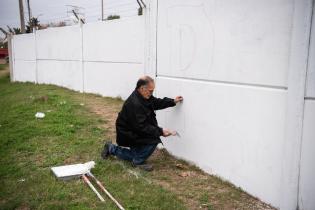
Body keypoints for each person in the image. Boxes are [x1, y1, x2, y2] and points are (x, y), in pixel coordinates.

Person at [101, 76, 183, 171]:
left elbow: (155, 102)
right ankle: (137, 161)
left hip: (133, 130)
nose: (151, 93)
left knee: (136, 153)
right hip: (128, 133)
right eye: (150, 91)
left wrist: (172, 101)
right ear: (142, 88)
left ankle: (111, 148)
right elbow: (142, 127)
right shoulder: (135, 103)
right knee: (154, 138)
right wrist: (161, 131)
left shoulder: (142, 96)